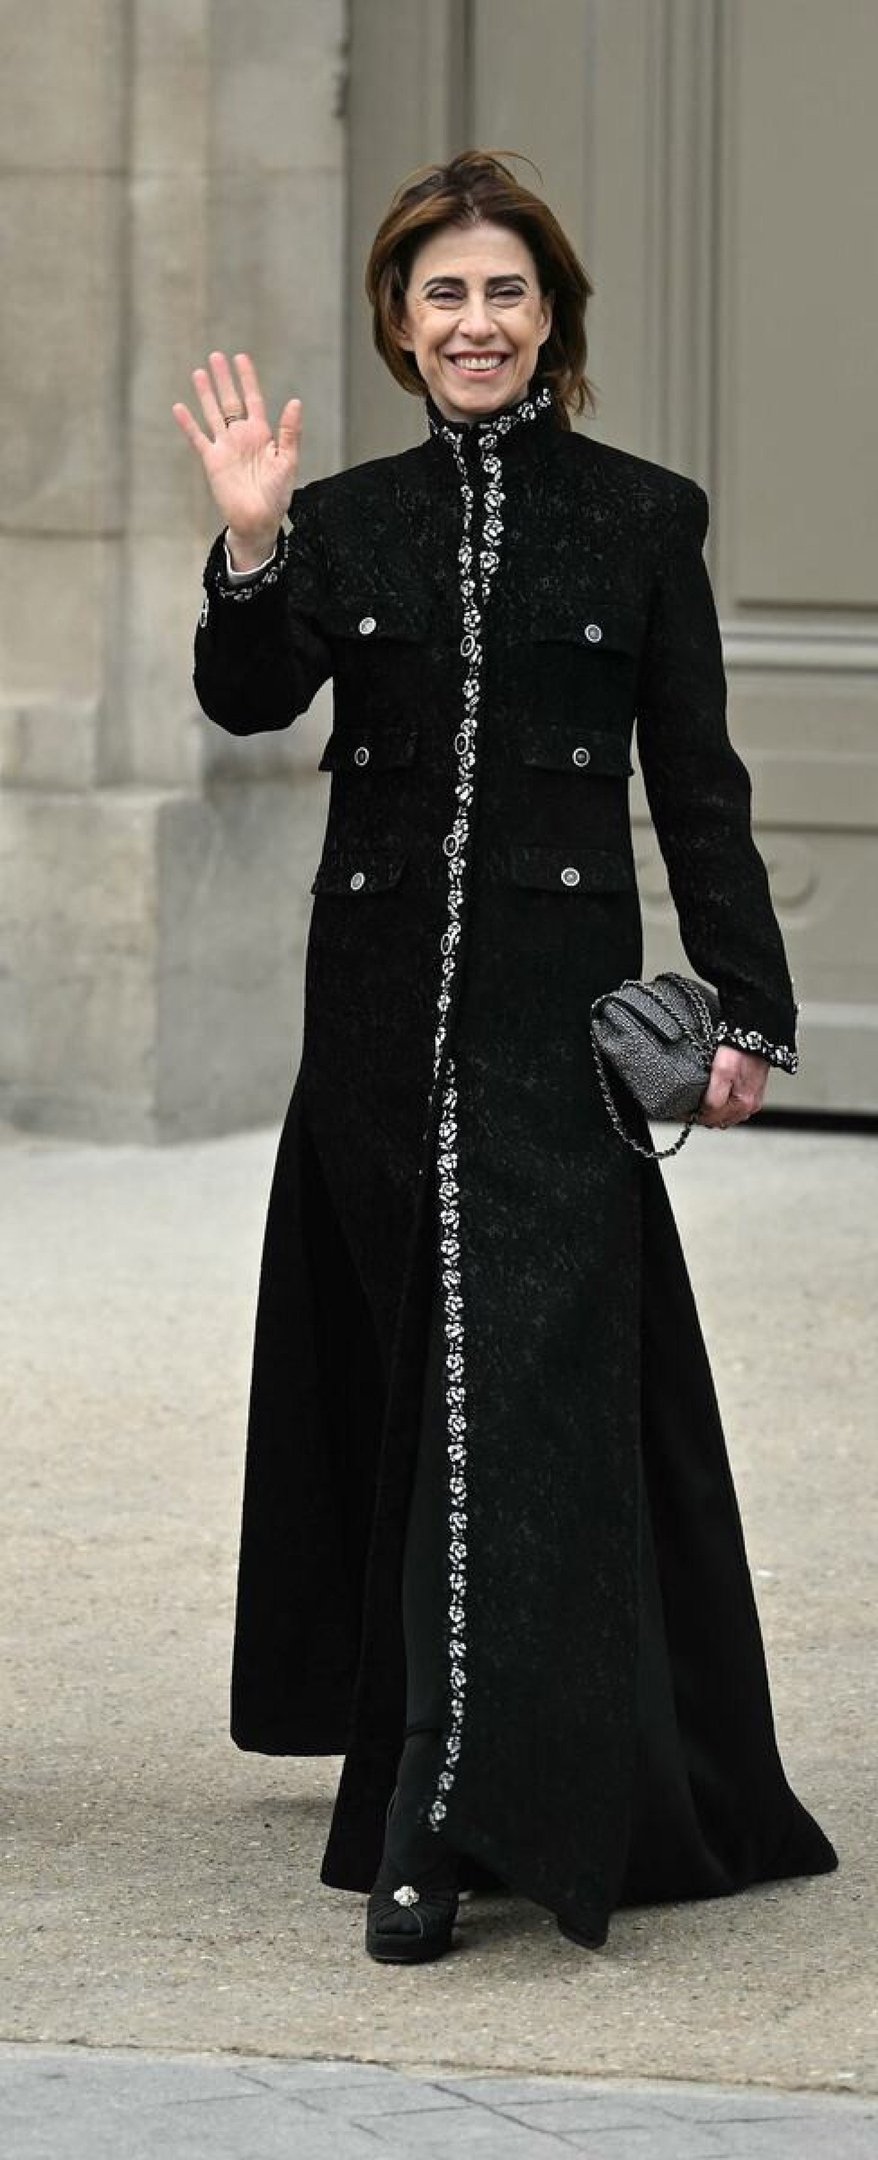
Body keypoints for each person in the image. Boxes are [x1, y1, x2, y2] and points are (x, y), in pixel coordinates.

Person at [173, 150, 837, 1965]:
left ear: (554, 321)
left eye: (507, 294)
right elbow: (245, 701)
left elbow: (695, 783)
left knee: (518, 1416)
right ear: (401, 325)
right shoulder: (348, 523)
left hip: (555, 1038)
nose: (477, 324)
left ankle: (439, 1822)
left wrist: (748, 1010)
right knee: (417, 1404)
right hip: (378, 1039)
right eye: (443, 295)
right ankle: (427, 1756)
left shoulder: (641, 516)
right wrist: (248, 543)